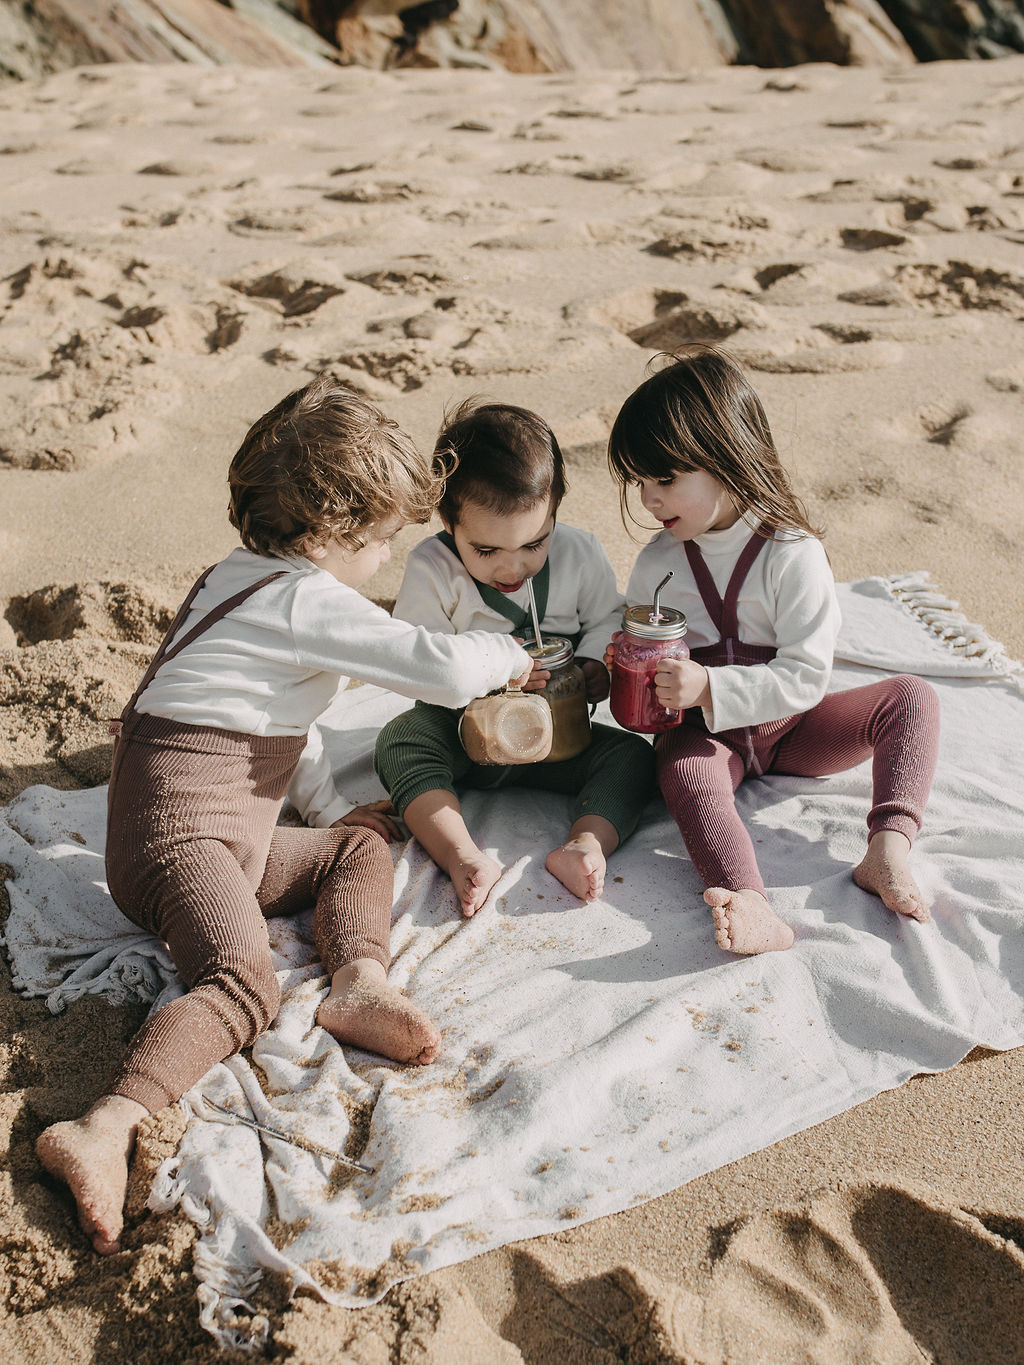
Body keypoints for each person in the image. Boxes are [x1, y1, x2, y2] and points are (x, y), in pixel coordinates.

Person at [35, 376, 532, 1255]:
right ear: (330, 530)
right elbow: (445, 670)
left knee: (356, 845)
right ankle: (106, 1123)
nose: (385, 556)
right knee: (243, 982)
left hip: (217, 834)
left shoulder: (235, 578)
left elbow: (271, 723)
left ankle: (357, 983)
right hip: (181, 841)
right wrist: (507, 654)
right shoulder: (305, 596)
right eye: (380, 539)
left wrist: (333, 808)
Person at [605, 346, 940, 956]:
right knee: (682, 769)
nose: (649, 499)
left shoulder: (792, 553)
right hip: (707, 736)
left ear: (727, 458)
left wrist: (710, 685)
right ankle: (748, 898)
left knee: (912, 697)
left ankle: (887, 846)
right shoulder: (658, 562)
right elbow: (648, 666)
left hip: (795, 731)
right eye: (640, 482)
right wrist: (628, 671)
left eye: (665, 479)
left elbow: (807, 677)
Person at [374, 399, 656, 914]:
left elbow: (607, 618)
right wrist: (490, 677)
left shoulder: (579, 553)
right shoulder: (432, 567)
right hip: (463, 736)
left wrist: (595, 663)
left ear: (555, 512)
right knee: (400, 741)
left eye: (534, 544)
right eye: (486, 551)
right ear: (448, 520)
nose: (513, 567)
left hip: (561, 739)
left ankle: (586, 842)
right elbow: (419, 660)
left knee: (632, 756)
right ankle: (460, 854)